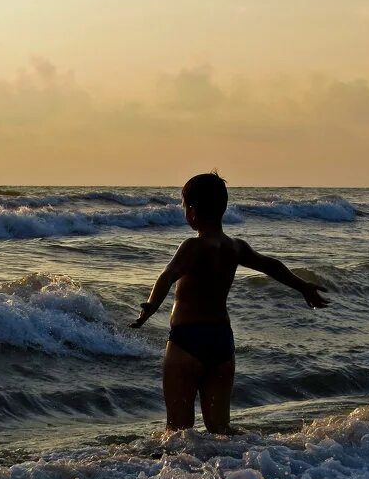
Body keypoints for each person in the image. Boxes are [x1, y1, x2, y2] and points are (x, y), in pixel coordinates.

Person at [129, 172, 329, 434]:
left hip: (187, 340)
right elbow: (271, 265)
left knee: (178, 431)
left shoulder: (193, 246)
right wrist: (302, 286)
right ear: (222, 209)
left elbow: (168, 275)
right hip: (222, 342)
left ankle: (174, 475)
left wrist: (150, 306)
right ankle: (252, 461)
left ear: (191, 211)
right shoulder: (235, 247)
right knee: (220, 429)